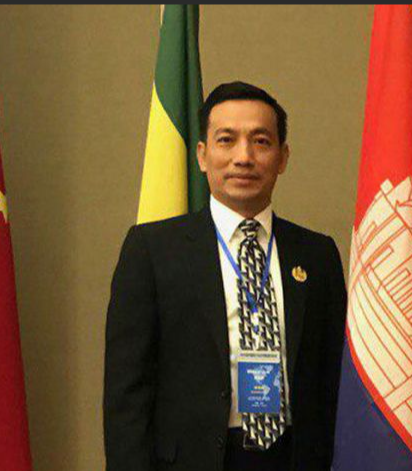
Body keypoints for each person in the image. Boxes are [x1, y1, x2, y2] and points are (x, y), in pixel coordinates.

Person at [104, 81, 347, 471]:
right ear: (202, 155)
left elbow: (334, 382)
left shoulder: (317, 255)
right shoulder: (152, 250)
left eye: (261, 142)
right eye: (226, 140)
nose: (243, 157)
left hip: (293, 457)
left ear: (283, 157)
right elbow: (126, 394)